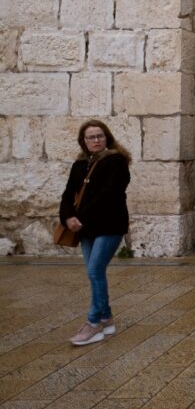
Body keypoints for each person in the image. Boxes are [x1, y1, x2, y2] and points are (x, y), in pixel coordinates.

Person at [59, 120, 132, 346]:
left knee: (94, 271)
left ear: (107, 137)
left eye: (100, 136)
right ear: (84, 141)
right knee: (95, 273)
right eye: (91, 137)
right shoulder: (79, 164)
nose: (96, 140)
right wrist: (67, 217)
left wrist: (80, 217)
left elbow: (109, 194)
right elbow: (69, 194)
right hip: (86, 228)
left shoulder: (116, 161)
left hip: (110, 225)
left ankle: (93, 323)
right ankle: (107, 319)